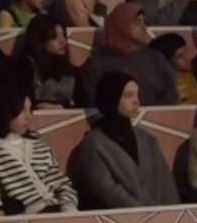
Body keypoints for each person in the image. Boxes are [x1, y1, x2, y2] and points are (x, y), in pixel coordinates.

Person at [70, 72, 179, 208]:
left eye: (137, 94)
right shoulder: (93, 145)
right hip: (124, 218)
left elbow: (167, 186)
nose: (137, 101)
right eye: (128, 95)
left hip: (162, 218)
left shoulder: (147, 139)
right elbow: (108, 193)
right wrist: (146, 214)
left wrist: (172, 214)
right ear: (112, 98)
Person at [0, 90, 78, 213]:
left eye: (30, 110)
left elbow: (62, 184)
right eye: (22, 110)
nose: (29, 117)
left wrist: (68, 206)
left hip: (59, 210)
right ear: (6, 111)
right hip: (28, 215)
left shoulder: (39, 144)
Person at [79, 3, 178, 106]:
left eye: (144, 22)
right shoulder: (96, 64)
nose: (144, 27)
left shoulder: (156, 58)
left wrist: (144, 113)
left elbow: (171, 98)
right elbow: (90, 104)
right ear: (121, 24)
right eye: (138, 22)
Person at [16, 15, 85, 109]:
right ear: (40, 42)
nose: (62, 41)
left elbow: (83, 104)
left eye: (63, 35)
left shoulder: (73, 71)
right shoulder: (27, 66)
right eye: (54, 36)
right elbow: (24, 102)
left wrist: (60, 107)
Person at [149, 32, 197, 104]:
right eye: (179, 56)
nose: (186, 58)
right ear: (166, 62)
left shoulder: (190, 74)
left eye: (185, 51)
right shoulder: (168, 85)